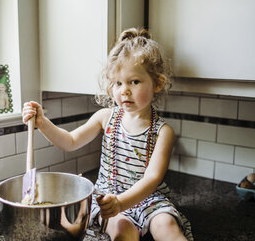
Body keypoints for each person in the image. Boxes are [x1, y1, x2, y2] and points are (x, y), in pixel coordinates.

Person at [22, 27, 193, 241]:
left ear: (157, 83)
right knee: (123, 231)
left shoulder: (163, 132)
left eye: (134, 82)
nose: (124, 90)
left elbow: (152, 178)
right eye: (118, 83)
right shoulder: (105, 117)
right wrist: (42, 122)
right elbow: (70, 141)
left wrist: (124, 201)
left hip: (149, 198)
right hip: (110, 201)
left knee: (167, 226)